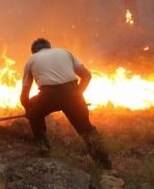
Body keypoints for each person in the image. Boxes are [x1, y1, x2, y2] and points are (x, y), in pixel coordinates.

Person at [20, 38, 111, 168]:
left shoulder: (32, 60)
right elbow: (87, 76)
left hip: (48, 96)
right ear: (49, 47)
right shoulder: (65, 52)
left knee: (35, 115)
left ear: (33, 52)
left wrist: (29, 111)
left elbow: (24, 97)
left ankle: (44, 149)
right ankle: (104, 163)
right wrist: (78, 94)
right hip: (72, 92)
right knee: (86, 128)